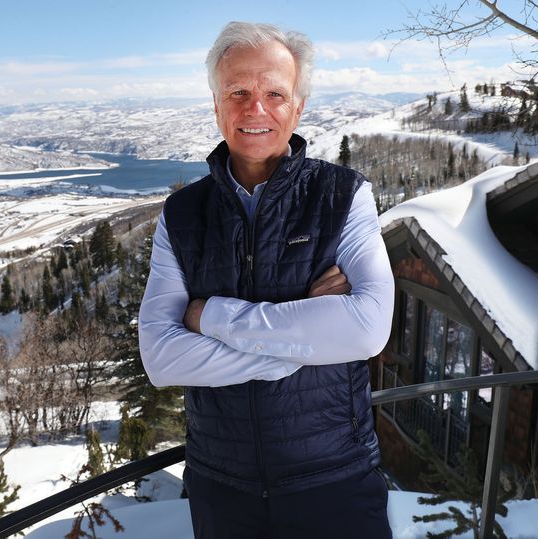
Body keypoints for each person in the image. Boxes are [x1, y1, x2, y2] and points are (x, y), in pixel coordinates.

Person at [138, 21, 395, 538]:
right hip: (221, 486)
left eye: (275, 93)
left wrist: (209, 316)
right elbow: (161, 357)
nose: (255, 109)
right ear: (216, 104)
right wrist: (305, 339)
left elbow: (367, 329)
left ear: (297, 107)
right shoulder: (183, 214)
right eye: (238, 92)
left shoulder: (342, 196)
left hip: (335, 477)